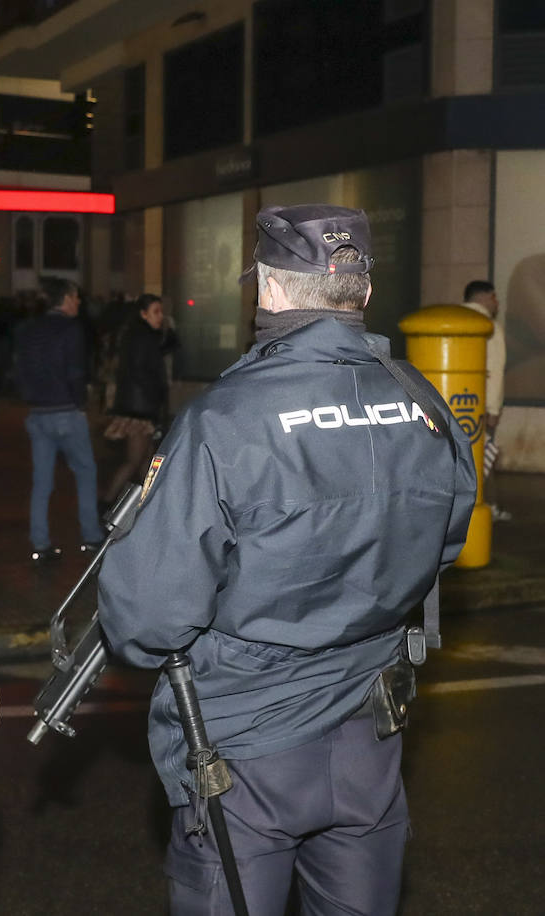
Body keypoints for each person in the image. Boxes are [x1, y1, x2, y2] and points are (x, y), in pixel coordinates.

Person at [98, 205, 477, 915]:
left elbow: (146, 619)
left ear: (268, 293)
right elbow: (444, 542)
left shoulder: (225, 421)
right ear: (361, 294)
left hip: (245, 747)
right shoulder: (422, 402)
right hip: (371, 737)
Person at [13, 276, 105, 562]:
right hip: (66, 409)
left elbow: (20, 369)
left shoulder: (29, 329)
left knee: (42, 481)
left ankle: (40, 541)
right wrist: (79, 402)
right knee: (86, 472)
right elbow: (76, 370)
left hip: (38, 412)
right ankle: (91, 536)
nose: (78, 302)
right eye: (76, 297)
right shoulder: (71, 329)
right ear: (65, 299)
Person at [102, 293, 177, 503]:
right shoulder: (142, 339)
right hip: (139, 410)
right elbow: (143, 373)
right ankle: (107, 501)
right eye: (155, 312)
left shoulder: (141, 336)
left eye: (161, 311)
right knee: (134, 461)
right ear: (143, 314)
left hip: (140, 407)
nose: (160, 316)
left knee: (146, 461)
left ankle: (150, 502)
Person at [462, 279, 510, 521]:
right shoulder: (489, 326)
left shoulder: (456, 321)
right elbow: (496, 370)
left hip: (456, 402)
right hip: (479, 405)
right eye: (495, 298)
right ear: (487, 297)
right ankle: (488, 506)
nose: (497, 303)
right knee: (484, 454)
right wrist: (493, 409)